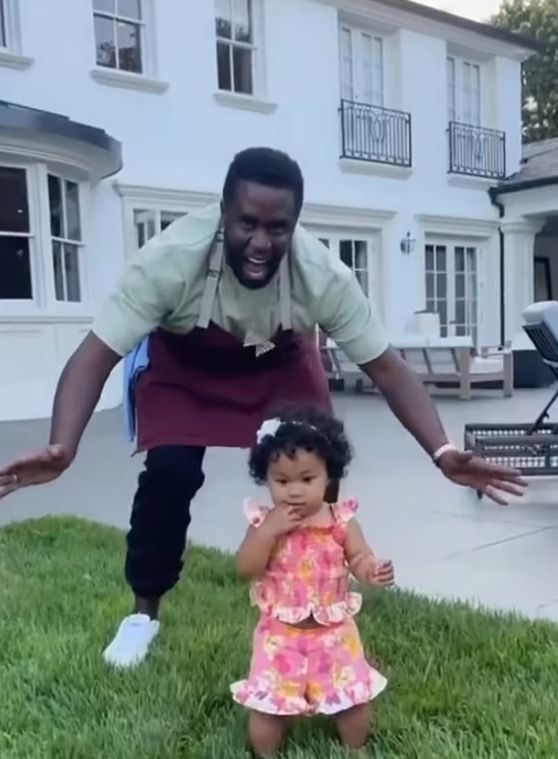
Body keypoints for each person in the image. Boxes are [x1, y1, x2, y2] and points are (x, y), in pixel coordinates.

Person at [0, 147, 525, 669]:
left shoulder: (321, 275)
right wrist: (63, 444)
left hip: (280, 357)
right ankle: (143, 614)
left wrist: (442, 451)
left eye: (278, 229)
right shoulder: (169, 260)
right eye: (246, 223)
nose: (260, 242)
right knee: (169, 473)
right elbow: (96, 355)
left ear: (294, 225)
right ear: (223, 213)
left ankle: (320, 599)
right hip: (185, 362)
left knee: (319, 469)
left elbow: (386, 368)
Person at [232, 406, 393, 757]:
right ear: (265, 478)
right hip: (279, 637)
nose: (294, 491)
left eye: (307, 480)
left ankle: (355, 748)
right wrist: (268, 533)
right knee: (268, 707)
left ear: (328, 476)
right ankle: (266, 753)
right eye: (281, 481)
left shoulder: (340, 521)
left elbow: (359, 558)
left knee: (353, 702)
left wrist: (371, 569)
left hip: (335, 636)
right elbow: (246, 568)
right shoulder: (264, 523)